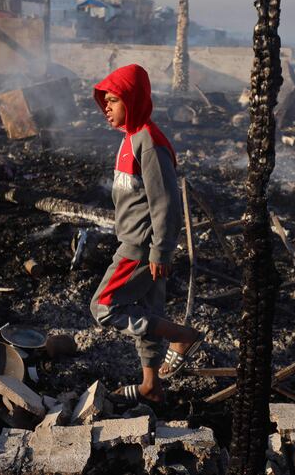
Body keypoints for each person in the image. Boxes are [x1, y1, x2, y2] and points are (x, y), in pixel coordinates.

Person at [89, 64, 204, 406]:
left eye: (113, 100)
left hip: (139, 250)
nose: (105, 107)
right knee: (149, 310)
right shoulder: (130, 138)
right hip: (138, 243)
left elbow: (164, 203)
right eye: (105, 101)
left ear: (132, 99)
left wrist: (160, 252)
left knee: (103, 307)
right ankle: (151, 386)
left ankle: (183, 337)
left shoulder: (149, 143)